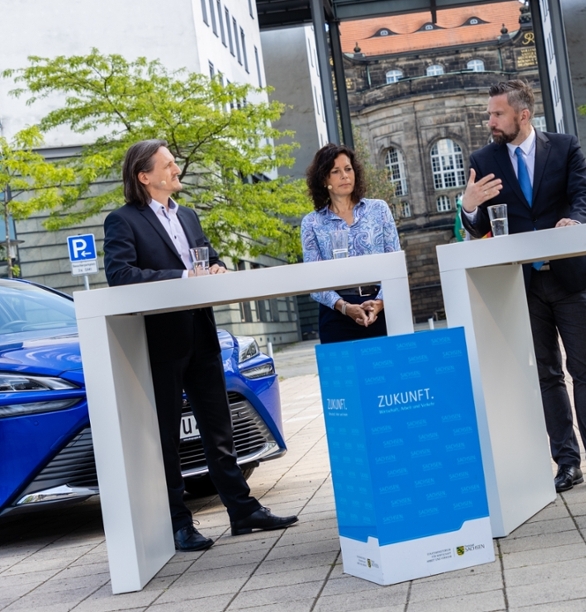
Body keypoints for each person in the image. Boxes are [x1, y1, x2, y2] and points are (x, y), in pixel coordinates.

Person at [103, 140, 297, 552]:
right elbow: (120, 274)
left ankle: (243, 512)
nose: (177, 169)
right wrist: (181, 278)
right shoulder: (123, 221)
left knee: (218, 430)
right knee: (167, 438)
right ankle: (177, 523)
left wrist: (216, 267)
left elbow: (207, 257)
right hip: (161, 343)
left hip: (205, 336)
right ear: (145, 176)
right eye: (169, 164)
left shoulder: (187, 215)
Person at [460, 79, 586, 492]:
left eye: (497, 114)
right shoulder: (483, 158)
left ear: (522, 115)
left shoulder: (564, 147)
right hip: (522, 285)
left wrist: (576, 221)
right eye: (490, 114)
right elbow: (475, 230)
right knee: (546, 375)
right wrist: (469, 205)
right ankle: (567, 463)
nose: (489, 121)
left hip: (571, 275)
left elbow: (585, 195)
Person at [301, 144, 401, 344]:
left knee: (387, 373)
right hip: (336, 314)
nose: (345, 176)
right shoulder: (311, 223)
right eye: (335, 171)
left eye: (348, 169)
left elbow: (395, 262)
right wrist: (345, 307)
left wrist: (379, 303)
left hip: (382, 308)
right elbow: (315, 281)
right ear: (323, 180)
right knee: (343, 375)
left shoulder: (379, 210)